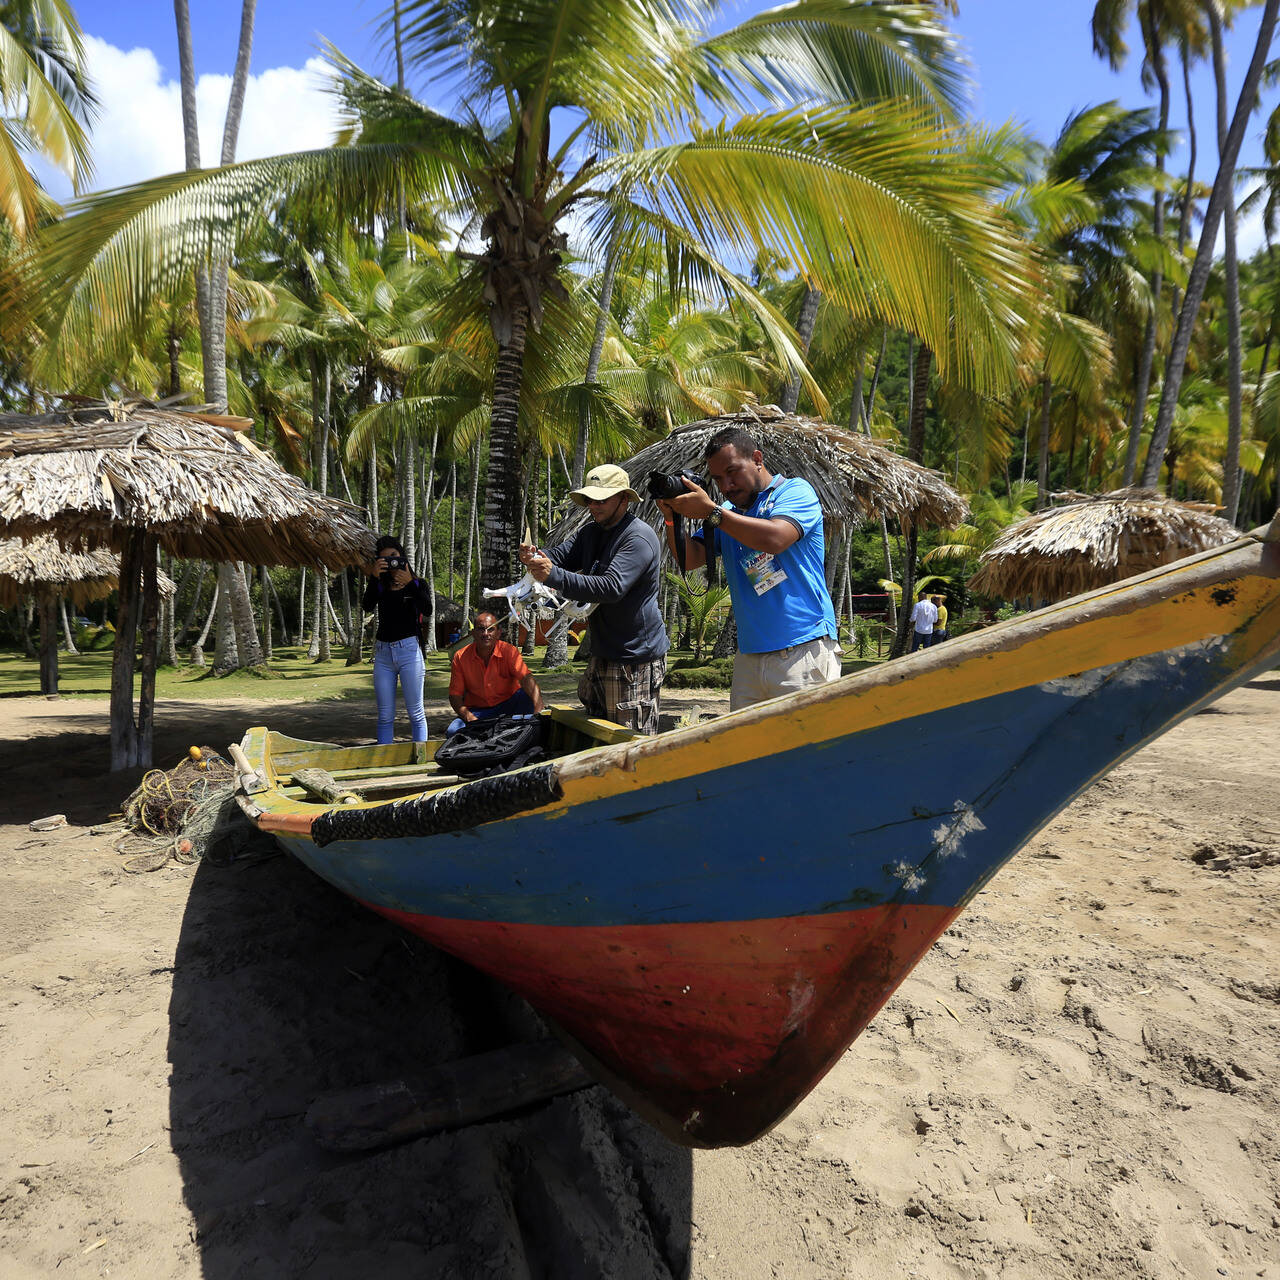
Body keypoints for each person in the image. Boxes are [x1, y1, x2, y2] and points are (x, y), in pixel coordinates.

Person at [660, 426, 840, 712]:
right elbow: (690, 559)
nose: (726, 485)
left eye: (733, 472)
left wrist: (713, 512)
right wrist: (672, 519)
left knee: (807, 750)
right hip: (749, 655)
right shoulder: (728, 512)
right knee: (747, 752)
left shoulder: (794, 491)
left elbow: (776, 537)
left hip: (803, 648)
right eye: (718, 478)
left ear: (757, 458)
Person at [519, 464, 668, 734]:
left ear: (624, 498)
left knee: (630, 745)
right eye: (589, 499)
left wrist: (553, 576)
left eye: (601, 500)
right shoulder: (591, 532)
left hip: (634, 659)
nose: (594, 506)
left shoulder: (638, 538)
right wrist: (535, 557)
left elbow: (610, 588)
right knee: (597, 734)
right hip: (603, 652)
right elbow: (560, 555)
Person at [361, 536, 430, 744]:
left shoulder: (417, 583)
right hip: (383, 654)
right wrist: (374, 577)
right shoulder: (380, 586)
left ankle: (420, 759)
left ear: (401, 555)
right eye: (384, 559)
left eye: (393, 556)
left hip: (409, 650)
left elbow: (427, 609)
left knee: (416, 713)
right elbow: (367, 605)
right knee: (384, 716)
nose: (391, 562)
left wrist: (410, 584)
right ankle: (385, 757)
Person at [446, 611, 544, 736]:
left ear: (498, 633)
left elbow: (526, 679)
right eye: (481, 629)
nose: (485, 634)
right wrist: (469, 717)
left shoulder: (509, 651)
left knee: (526, 696)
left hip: (510, 705)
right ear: (473, 633)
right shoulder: (460, 657)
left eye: (490, 629)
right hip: (478, 711)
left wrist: (538, 709)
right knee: (453, 731)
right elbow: (455, 695)